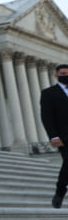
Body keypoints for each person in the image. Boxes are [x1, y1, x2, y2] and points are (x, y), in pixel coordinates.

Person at [41, 64, 68, 207]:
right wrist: (53, 136)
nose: (66, 76)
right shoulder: (48, 93)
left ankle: (60, 191)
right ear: (57, 75)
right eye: (63, 73)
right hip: (64, 136)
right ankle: (60, 191)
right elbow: (47, 117)